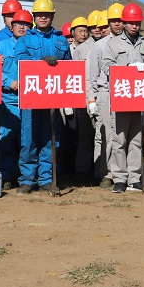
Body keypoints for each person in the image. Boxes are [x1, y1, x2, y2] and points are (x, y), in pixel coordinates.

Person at [13, 0, 71, 196]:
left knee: (50, 139)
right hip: (31, 97)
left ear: (52, 16)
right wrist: (41, 61)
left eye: (47, 14)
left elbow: (69, 66)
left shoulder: (61, 40)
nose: (43, 18)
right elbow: (20, 60)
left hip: (53, 99)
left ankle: (46, 179)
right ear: (34, 17)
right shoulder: (24, 40)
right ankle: (27, 180)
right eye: (39, 15)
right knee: (28, 140)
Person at [101, 3, 144, 193]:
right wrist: (127, 69)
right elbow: (106, 66)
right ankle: (119, 178)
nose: (134, 26)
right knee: (119, 140)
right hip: (121, 97)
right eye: (131, 23)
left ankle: (134, 178)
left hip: (141, 99)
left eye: (137, 23)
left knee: (137, 140)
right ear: (124, 23)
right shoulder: (113, 44)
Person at [0, 9, 34, 190]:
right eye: (18, 24)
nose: (21, 27)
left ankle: (25, 177)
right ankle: (7, 176)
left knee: (27, 140)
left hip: (31, 99)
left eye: (26, 25)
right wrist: (9, 82)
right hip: (9, 100)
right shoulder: (0, 47)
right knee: (7, 138)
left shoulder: (34, 46)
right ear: (11, 26)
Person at [86, 3, 124, 188]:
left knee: (123, 135)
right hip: (105, 93)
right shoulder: (99, 46)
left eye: (120, 20)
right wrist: (91, 99)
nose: (117, 24)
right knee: (106, 136)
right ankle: (105, 173)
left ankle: (122, 172)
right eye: (113, 21)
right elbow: (91, 75)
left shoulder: (132, 44)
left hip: (125, 92)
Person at [66, 16, 95, 185]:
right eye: (80, 31)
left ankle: (90, 168)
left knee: (91, 135)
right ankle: (78, 169)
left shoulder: (97, 46)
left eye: (85, 31)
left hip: (93, 96)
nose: (83, 34)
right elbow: (72, 75)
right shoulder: (75, 50)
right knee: (77, 135)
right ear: (73, 33)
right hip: (79, 97)